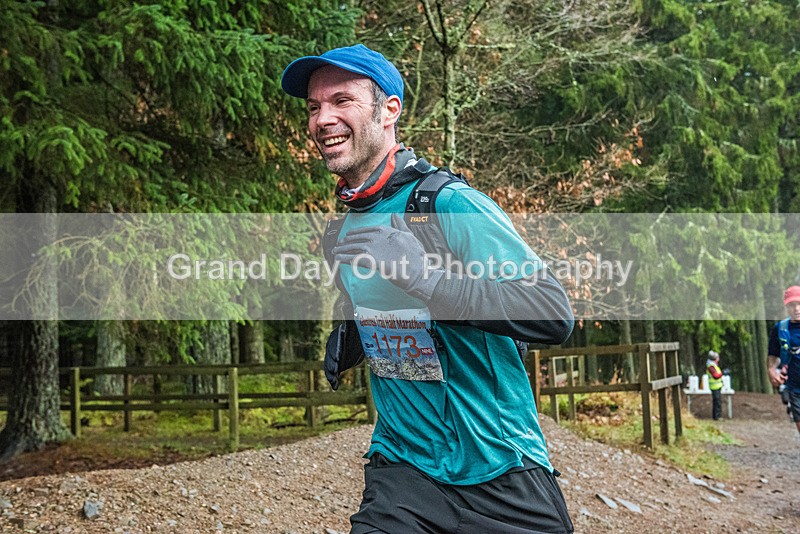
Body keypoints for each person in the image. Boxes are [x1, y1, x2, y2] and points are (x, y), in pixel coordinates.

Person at [282, 44, 575, 533]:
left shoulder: (449, 204)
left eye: (342, 101)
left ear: (390, 109)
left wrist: (426, 278)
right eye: (314, 107)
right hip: (403, 474)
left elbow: (551, 312)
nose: (322, 118)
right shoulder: (346, 228)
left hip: (500, 471)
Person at [767, 285, 800, 438]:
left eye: (799, 304)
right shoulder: (780, 329)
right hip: (794, 388)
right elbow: (773, 355)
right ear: (786, 306)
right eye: (792, 305)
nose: (797, 309)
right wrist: (772, 371)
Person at [705, 350, 723, 420]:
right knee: (717, 401)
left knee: (718, 401)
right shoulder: (711, 367)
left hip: (717, 386)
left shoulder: (713, 366)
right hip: (714, 386)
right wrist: (721, 374)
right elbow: (716, 376)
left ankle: (717, 416)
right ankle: (717, 416)